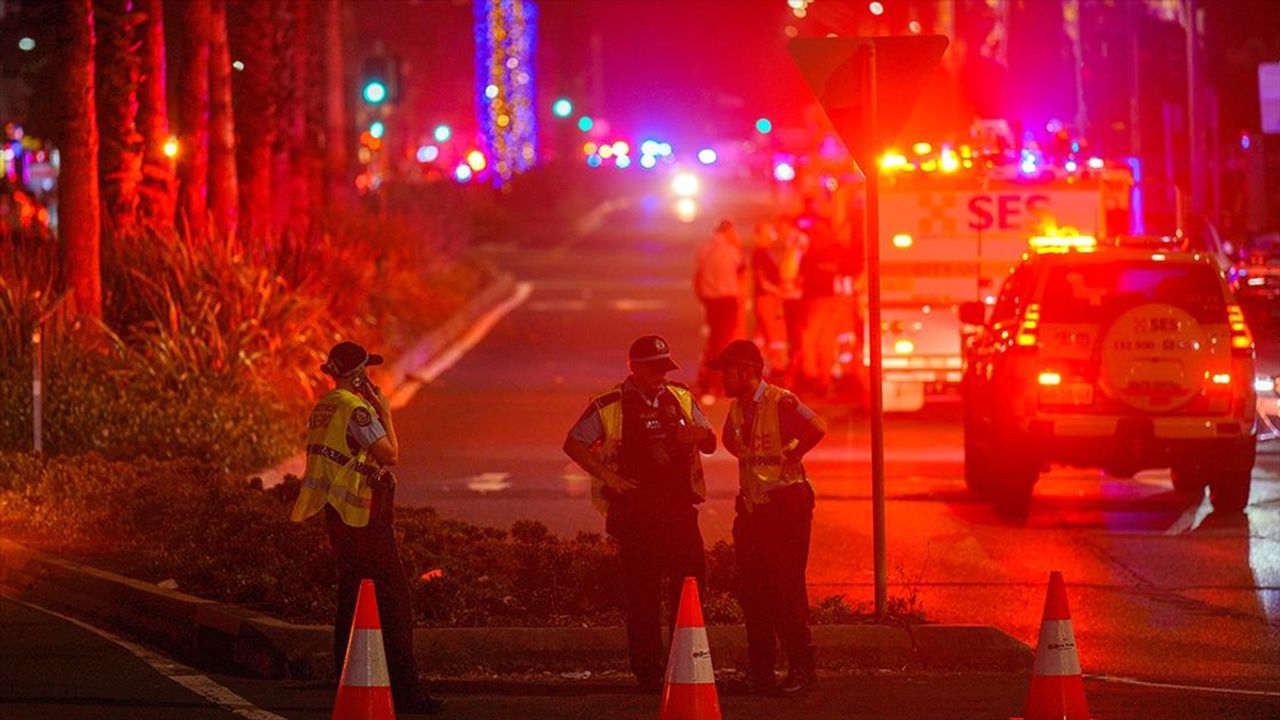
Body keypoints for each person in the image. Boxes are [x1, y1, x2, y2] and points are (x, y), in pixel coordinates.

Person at [290, 341, 445, 715]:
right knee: (395, 603)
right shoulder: (356, 410)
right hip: (363, 515)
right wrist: (385, 411)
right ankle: (407, 693)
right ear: (357, 375)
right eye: (366, 370)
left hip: (334, 512)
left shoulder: (324, 407)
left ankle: (345, 679)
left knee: (351, 598)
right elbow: (390, 454)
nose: (370, 376)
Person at [563, 335, 717, 691]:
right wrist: (609, 477)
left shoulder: (680, 397)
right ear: (635, 368)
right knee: (642, 595)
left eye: (666, 369)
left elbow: (710, 441)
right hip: (636, 514)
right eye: (654, 370)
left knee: (690, 589)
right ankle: (648, 672)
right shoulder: (610, 404)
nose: (662, 377)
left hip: (679, 511)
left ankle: (685, 663)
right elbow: (574, 443)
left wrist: (697, 435)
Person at [708, 339, 827, 696]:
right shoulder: (737, 408)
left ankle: (802, 669)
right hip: (752, 508)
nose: (722, 378)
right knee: (754, 593)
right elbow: (732, 442)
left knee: (786, 590)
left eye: (728, 371)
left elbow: (817, 426)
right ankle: (761, 671)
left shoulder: (780, 401)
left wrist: (793, 453)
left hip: (785, 505)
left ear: (748, 371)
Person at [694, 218, 746, 402]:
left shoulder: (704, 249)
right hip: (727, 300)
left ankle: (706, 380)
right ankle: (713, 382)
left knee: (714, 340)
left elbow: (698, 276)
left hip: (710, 301)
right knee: (723, 342)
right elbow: (742, 272)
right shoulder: (732, 251)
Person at [751, 221, 788, 376]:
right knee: (775, 335)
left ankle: (755, 366)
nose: (771, 238)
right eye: (767, 234)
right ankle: (778, 368)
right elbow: (762, 280)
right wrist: (778, 292)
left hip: (764, 299)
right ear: (758, 236)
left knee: (761, 336)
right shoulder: (760, 254)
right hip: (767, 299)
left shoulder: (765, 253)